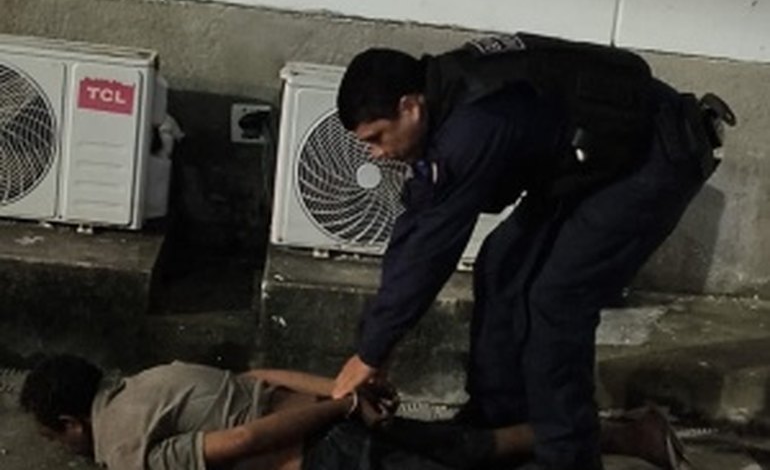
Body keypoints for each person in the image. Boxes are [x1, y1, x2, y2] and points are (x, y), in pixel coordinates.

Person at [331, 32, 734, 470]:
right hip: (589, 162)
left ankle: (568, 457)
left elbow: (431, 249)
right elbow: (417, 228)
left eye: (377, 137)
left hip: (651, 158)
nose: (376, 154)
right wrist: (377, 346)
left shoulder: (473, 124)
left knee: (557, 299)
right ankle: (498, 425)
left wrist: (370, 354)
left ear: (410, 107)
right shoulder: (447, 95)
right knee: (501, 265)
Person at [20, 354, 687, 470]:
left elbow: (243, 441)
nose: (63, 449)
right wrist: (344, 389)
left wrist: (341, 405)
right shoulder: (153, 378)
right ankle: (625, 433)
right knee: (471, 447)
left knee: (469, 457)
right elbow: (255, 378)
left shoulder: (122, 448)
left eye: (55, 439)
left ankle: (628, 435)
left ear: (71, 424)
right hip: (332, 421)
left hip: (326, 451)